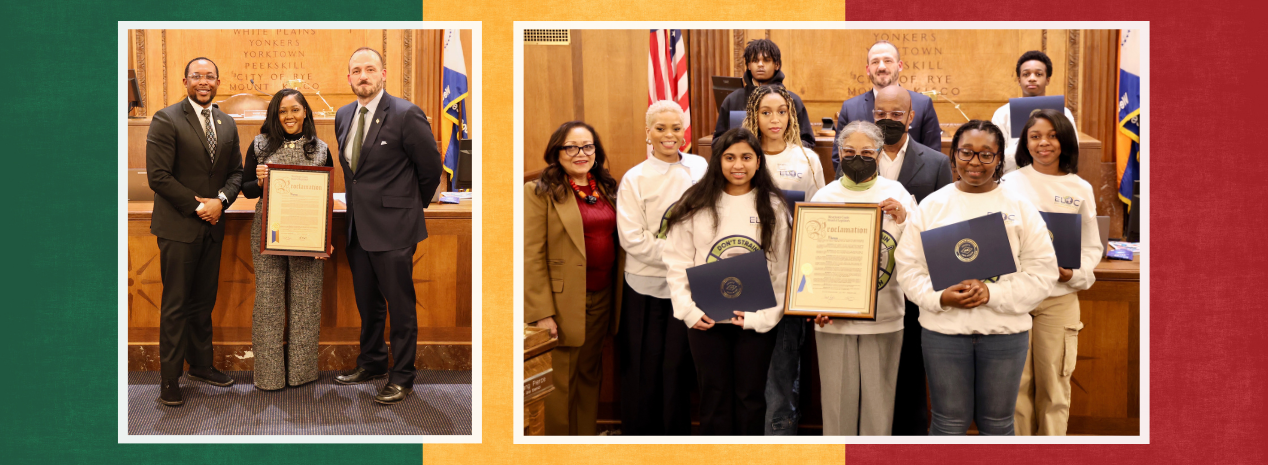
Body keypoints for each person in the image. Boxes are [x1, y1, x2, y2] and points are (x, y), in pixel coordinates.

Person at [894, 120, 1058, 435]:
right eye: (967, 153)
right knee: (947, 423)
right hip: (944, 334)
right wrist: (939, 297)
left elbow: (1042, 272)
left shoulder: (1019, 207)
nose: (975, 163)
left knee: (997, 424)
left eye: (986, 155)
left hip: (1004, 334)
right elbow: (909, 267)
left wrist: (990, 293)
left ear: (999, 160)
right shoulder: (933, 206)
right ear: (954, 155)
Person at [332, 47, 444, 406]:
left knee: (400, 306)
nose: (363, 76)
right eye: (356, 70)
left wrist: (409, 209)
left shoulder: (406, 113)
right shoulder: (343, 115)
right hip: (357, 229)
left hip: (396, 228)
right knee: (368, 304)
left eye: (369, 69)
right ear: (348, 77)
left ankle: (403, 376)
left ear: (383, 74)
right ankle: (373, 362)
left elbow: (430, 169)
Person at [663, 127, 791, 435]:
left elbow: (783, 271)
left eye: (747, 157)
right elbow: (676, 263)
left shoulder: (773, 206)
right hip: (705, 319)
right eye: (729, 157)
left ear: (758, 162)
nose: (738, 165)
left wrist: (762, 317)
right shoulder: (695, 203)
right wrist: (689, 311)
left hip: (754, 321)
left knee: (750, 398)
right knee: (714, 397)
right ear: (717, 161)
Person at [146, 57, 243, 407]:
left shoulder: (227, 122)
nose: (204, 82)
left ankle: (201, 365)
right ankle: (169, 379)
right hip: (179, 227)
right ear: (185, 80)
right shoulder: (166, 119)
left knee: (203, 302)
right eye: (197, 76)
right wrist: (199, 206)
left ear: (218, 82)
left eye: (210, 77)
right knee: (176, 305)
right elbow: (158, 176)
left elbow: (236, 173)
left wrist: (220, 201)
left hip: (213, 227)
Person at [808, 121, 916, 435]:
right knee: (836, 404)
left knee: (879, 403)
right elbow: (809, 259)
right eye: (850, 151)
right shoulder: (824, 197)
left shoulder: (898, 195)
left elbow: (920, 252)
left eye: (867, 152)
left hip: (884, 313)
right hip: (833, 316)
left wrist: (905, 219)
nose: (858, 157)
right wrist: (813, 302)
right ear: (838, 153)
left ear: (880, 153)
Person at [1002, 109, 1101, 435]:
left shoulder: (1080, 188)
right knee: (1016, 390)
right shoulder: (1008, 184)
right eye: (1035, 136)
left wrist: (1073, 274)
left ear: (1064, 141)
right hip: (1017, 298)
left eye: (1052, 135)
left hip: (1059, 300)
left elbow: (1091, 248)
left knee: (1054, 389)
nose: (1044, 143)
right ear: (1025, 143)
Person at [524, 121, 622, 435]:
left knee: (590, 374)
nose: (581, 153)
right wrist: (542, 313)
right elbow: (531, 254)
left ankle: (584, 442)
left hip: (601, 295)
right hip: (561, 301)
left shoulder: (606, 187)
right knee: (560, 379)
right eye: (571, 147)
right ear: (557, 152)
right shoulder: (540, 191)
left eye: (588, 146)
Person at [615, 101, 706, 435]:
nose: (670, 136)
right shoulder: (634, 179)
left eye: (677, 128)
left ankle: (676, 440)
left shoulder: (699, 168)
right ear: (648, 133)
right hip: (646, 286)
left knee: (678, 370)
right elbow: (634, 239)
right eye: (661, 128)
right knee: (644, 368)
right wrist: (681, 258)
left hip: (689, 289)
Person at [871, 84, 954, 435]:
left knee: (910, 372)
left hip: (913, 287)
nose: (887, 120)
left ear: (910, 117)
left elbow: (944, 226)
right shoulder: (856, 157)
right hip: (867, 283)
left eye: (895, 115)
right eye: (880, 115)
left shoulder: (935, 163)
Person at [741, 84, 824, 435]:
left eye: (781, 111)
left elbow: (819, 217)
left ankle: (780, 440)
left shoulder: (806, 158)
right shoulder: (741, 155)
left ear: (791, 115)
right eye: (765, 112)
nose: (774, 119)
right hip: (746, 273)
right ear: (753, 116)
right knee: (748, 370)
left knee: (783, 369)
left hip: (791, 276)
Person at [239, 88, 334, 391]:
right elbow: (248, 190)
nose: (289, 116)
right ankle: (269, 376)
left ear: (305, 112)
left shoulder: (320, 148)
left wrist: (325, 239)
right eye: (282, 111)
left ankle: (301, 373)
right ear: (274, 115)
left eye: (295, 109)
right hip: (269, 232)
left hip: (308, 237)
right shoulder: (260, 145)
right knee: (268, 302)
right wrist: (259, 179)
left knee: (306, 303)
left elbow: (327, 198)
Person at [832, 41, 941, 174]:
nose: (881, 67)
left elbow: (933, 157)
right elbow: (839, 157)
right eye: (875, 62)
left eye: (888, 61)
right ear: (868, 69)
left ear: (899, 65)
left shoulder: (923, 104)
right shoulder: (850, 108)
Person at [990, 50, 1080, 174]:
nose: (1032, 79)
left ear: (1047, 79)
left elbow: (1072, 151)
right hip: (1014, 179)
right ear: (1019, 80)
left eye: (1038, 74)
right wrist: (1024, 145)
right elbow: (997, 158)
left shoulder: (1063, 112)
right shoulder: (1003, 114)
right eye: (1026, 74)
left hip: (1052, 178)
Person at [713, 39, 815, 147]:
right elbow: (717, 142)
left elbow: (807, 141)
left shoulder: (792, 100)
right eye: (755, 61)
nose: (760, 65)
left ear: (777, 65)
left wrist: (782, 151)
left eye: (766, 60)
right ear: (748, 65)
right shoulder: (732, 99)